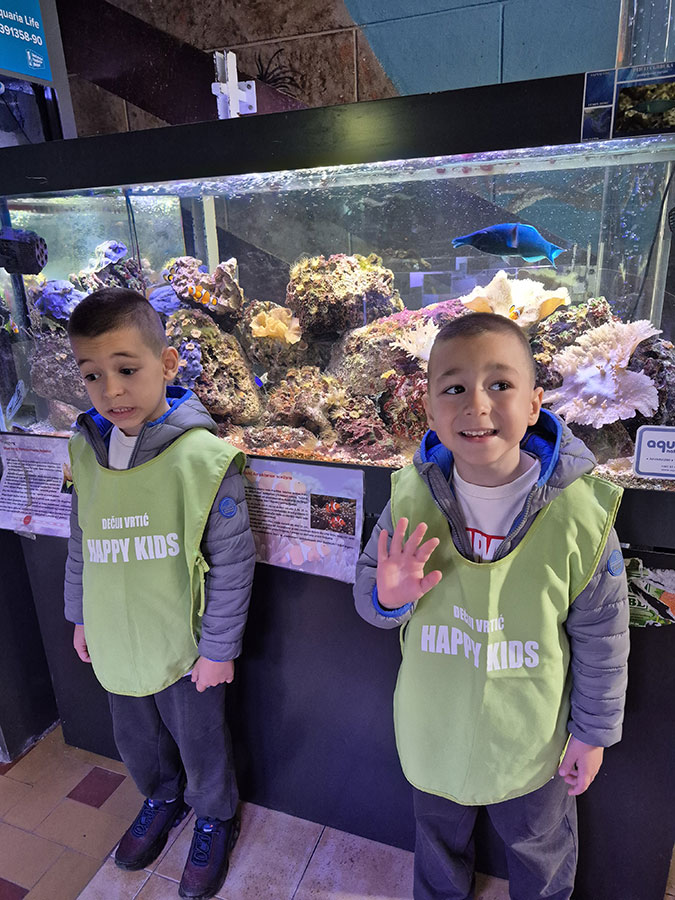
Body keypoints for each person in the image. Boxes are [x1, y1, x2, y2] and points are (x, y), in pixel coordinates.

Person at [354, 312, 629, 900]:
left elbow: (604, 635)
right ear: (429, 411)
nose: (476, 405)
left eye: (499, 384)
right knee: (436, 838)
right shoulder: (411, 496)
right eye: (454, 388)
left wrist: (592, 733)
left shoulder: (578, 514)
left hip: (532, 737)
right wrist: (387, 596)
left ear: (534, 404)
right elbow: (369, 597)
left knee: (539, 844)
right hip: (435, 726)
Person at [64, 287, 256, 900]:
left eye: (127, 369)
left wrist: (219, 648)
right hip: (117, 635)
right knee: (135, 738)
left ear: (168, 364)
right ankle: (160, 797)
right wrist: (80, 615)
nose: (111, 390)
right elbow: (82, 540)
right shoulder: (86, 450)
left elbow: (233, 561)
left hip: (184, 643)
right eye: (93, 375)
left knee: (201, 740)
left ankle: (214, 815)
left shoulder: (204, 458)